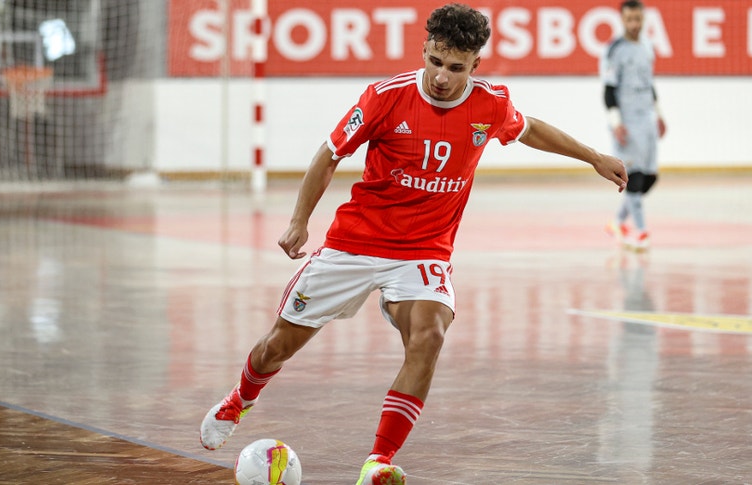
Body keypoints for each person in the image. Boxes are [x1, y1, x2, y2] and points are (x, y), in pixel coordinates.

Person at [200, 4, 627, 484]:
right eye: (436, 62)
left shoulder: (490, 103)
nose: (442, 77)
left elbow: (531, 130)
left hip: (424, 252)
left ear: (475, 66)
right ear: (425, 50)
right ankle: (240, 400)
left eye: (456, 68)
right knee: (276, 348)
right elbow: (329, 154)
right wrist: (300, 222)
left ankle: (378, 462)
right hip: (355, 243)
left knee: (429, 337)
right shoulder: (385, 97)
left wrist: (593, 156)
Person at [601, 0, 667, 251]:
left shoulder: (648, 47)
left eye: (638, 19)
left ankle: (617, 222)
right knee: (634, 177)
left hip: (646, 119)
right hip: (627, 122)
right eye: (629, 19)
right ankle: (641, 232)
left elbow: (649, 84)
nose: (634, 24)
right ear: (622, 20)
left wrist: (659, 114)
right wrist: (616, 123)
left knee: (649, 177)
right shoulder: (614, 50)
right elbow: (608, 90)